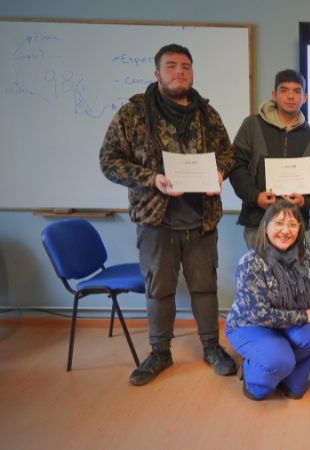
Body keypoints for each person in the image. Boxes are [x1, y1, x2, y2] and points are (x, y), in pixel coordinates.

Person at [99, 44, 236, 386]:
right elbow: (109, 160)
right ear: (157, 73)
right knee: (159, 289)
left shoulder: (207, 113)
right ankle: (160, 352)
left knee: (204, 287)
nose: (179, 71)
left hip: (201, 218)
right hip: (155, 220)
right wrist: (152, 179)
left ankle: (211, 347)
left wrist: (219, 173)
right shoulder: (133, 113)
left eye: (186, 66)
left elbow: (228, 154)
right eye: (171, 66)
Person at [225, 200, 310, 400]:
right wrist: (304, 315)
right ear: (266, 227)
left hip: (286, 320)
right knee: (278, 361)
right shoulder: (251, 262)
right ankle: (253, 374)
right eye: (278, 223)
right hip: (250, 324)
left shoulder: (300, 251)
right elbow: (261, 316)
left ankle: (289, 378)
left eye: (293, 224)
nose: (286, 230)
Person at [229, 69, 310, 249]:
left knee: (295, 277)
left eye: (297, 91)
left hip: (296, 223)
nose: (290, 96)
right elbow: (236, 167)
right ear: (274, 95)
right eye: (284, 90)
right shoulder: (252, 125)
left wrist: (305, 200)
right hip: (258, 222)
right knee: (259, 277)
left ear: (304, 98)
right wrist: (256, 197)